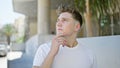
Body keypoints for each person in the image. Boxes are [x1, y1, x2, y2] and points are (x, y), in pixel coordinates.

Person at [33, 4, 97, 68]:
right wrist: (51, 53)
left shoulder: (89, 54)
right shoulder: (44, 49)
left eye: (64, 20)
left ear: (76, 27)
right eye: (58, 20)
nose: (58, 24)